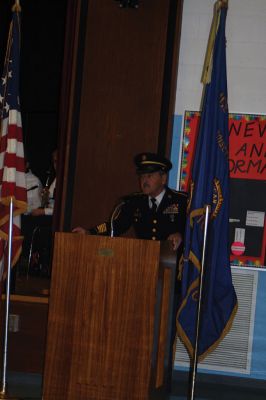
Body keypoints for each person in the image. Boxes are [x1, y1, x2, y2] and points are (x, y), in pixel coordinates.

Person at [73, 152, 188, 250]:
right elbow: (115, 226)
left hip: (174, 266)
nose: (144, 181)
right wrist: (90, 232)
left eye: (149, 175)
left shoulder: (181, 200)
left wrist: (181, 235)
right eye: (142, 176)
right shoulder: (134, 202)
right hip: (145, 261)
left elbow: (194, 230)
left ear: (163, 179)